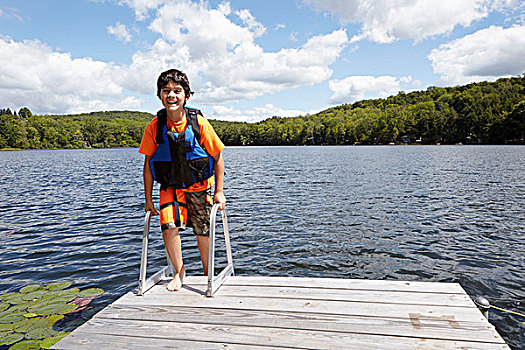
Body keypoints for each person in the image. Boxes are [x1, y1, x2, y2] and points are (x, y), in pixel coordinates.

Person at [139, 68, 226, 292]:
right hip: (170, 186)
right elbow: (147, 167)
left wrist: (219, 191)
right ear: (159, 96)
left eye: (177, 91)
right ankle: (179, 272)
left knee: (202, 231)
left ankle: (208, 274)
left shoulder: (199, 124)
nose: (172, 96)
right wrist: (148, 200)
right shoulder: (154, 127)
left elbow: (217, 159)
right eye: (166, 91)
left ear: (187, 95)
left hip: (199, 186)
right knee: (168, 226)